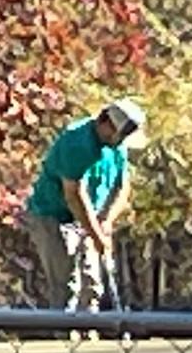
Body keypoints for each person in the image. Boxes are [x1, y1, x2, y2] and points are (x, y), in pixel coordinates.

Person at [23, 98, 146, 311]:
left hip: (89, 217)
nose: (121, 141)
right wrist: (96, 234)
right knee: (66, 284)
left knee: (92, 286)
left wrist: (106, 221)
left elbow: (122, 186)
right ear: (105, 122)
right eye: (119, 134)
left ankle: (89, 337)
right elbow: (74, 196)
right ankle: (64, 339)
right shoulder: (77, 143)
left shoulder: (117, 145)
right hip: (53, 216)